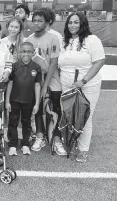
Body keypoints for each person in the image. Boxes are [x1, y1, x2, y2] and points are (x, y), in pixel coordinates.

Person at [58, 12, 105, 162]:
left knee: (85, 117)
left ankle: (83, 149)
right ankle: (72, 143)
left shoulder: (92, 40)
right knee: (69, 116)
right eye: (70, 22)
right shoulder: (64, 41)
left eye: (76, 22)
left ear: (82, 23)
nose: (72, 25)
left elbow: (99, 61)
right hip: (67, 85)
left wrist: (83, 81)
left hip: (88, 85)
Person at [26, 9, 67, 155]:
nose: (36, 23)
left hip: (52, 78)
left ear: (47, 22)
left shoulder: (53, 38)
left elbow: (53, 64)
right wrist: (38, 83)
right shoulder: (29, 39)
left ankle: (56, 139)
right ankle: (40, 136)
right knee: (38, 107)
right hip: (36, 79)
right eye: (34, 20)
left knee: (56, 108)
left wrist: (45, 84)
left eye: (40, 21)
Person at [5, 42, 41, 156]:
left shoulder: (36, 67)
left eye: (29, 51)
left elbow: (37, 86)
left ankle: (25, 144)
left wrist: (37, 104)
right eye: (23, 51)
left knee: (27, 123)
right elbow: (10, 84)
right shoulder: (14, 66)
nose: (26, 54)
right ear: (19, 53)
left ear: (33, 53)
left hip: (29, 101)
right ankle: (13, 144)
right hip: (14, 100)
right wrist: (7, 101)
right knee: (13, 122)